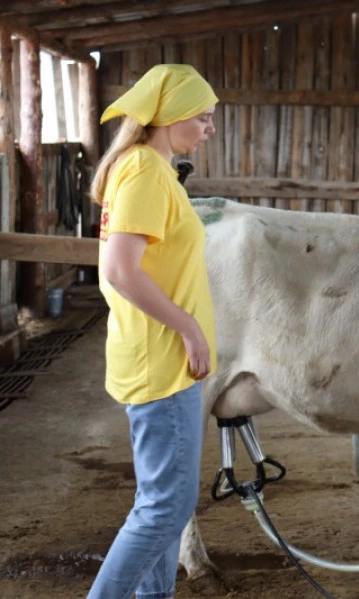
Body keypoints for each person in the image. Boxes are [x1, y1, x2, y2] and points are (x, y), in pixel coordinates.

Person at [87, 64, 218, 599]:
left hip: (160, 358)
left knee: (162, 503)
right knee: (166, 508)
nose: (209, 128)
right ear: (170, 118)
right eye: (203, 118)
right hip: (161, 361)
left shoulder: (153, 167)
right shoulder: (143, 170)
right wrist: (188, 328)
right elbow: (120, 269)